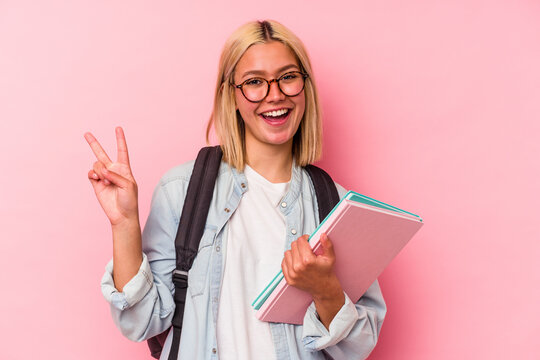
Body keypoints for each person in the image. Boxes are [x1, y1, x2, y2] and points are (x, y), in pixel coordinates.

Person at [85, 20, 386, 360]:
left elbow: (360, 345)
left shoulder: (334, 205)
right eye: (255, 82)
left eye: (288, 77)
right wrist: (124, 224)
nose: (275, 95)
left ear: (305, 87)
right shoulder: (182, 190)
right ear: (232, 94)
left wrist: (326, 290)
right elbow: (142, 322)